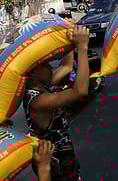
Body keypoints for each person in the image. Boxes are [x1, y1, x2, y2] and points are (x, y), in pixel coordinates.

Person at [23, 24, 90, 181]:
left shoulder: (43, 86)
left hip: (64, 156)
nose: (50, 67)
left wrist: (68, 39)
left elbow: (67, 66)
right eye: (45, 64)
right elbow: (80, 90)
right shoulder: (36, 100)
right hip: (54, 163)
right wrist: (82, 48)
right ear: (34, 71)